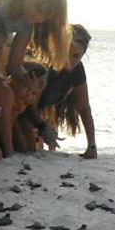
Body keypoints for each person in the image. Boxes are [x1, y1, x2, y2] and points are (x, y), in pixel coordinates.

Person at [38, 23, 97, 156]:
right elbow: (28, 104)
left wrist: (91, 146)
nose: (70, 59)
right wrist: (41, 127)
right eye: (67, 52)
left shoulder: (77, 70)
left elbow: (84, 108)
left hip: (44, 114)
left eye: (76, 56)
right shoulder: (43, 63)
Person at [5, 0, 71, 78]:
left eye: (45, 18)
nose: (38, 18)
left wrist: (28, 81)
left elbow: (15, 65)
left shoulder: (25, 27)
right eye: (39, 9)